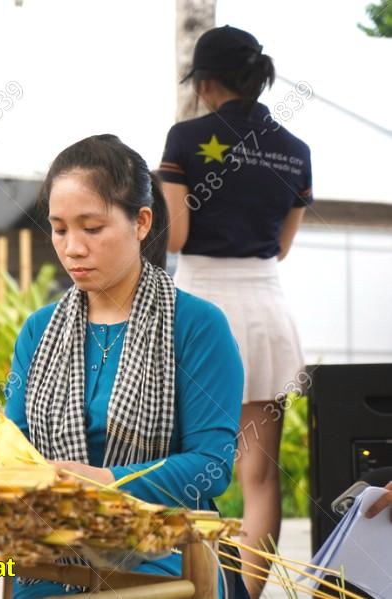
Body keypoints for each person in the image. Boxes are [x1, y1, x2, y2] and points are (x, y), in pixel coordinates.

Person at [0, 134, 245, 598]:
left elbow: (211, 465)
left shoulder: (196, 325)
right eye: (60, 228)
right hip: (51, 562)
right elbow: (24, 457)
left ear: (141, 222)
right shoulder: (39, 330)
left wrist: (106, 483)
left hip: (160, 561)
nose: (72, 248)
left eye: (92, 227)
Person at [158, 25, 313, 598]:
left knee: (175, 458)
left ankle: (186, 587)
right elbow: (281, 248)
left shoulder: (185, 137)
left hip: (200, 307)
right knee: (261, 473)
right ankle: (247, 593)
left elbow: (175, 238)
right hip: (266, 307)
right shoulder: (296, 150)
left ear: (204, 82)